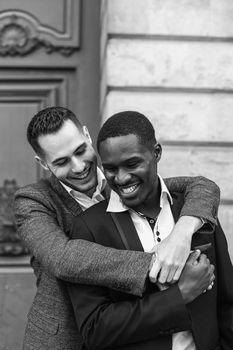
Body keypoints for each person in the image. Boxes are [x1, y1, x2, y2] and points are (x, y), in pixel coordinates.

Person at [14, 107, 220, 349]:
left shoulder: (122, 182)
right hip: (62, 340)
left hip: (123, 336)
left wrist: (181, 235)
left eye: (80, 151)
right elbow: (62, 257)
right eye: (61, 162)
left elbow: (202, 186)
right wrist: (157, 262)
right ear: (44, 164)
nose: (79, 166)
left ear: (88, 136)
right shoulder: (32, 201)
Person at [67, 111, 233, 350]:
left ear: (156, 153)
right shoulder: (89, 227)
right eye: (111, 168)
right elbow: (95, 329)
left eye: (132, 164)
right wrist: (179, 297)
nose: (122, 178)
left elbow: (227, 303)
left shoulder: (196, 212)